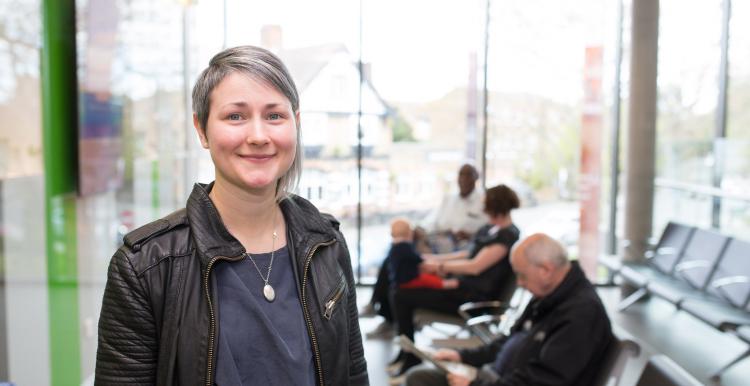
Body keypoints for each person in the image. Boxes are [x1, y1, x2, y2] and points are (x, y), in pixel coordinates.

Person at [95, 46, 368, 385]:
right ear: (201, 129)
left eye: (274, 116)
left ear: (295, 124)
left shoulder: (327, 242)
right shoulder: (145, 267)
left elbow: (353, 374)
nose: (258, 136)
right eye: (235, 116)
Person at [404, 233, 615, 386]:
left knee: (421, 379)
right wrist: (462, 357)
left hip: (505, 380)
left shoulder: (580, 314)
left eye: (522, 275)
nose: (520, 283)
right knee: (419, 376)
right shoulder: (548, 296)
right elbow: (508, 340)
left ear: (546, 270)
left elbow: (542, 381)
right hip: (498, 376)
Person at [391, 184, 522, 376]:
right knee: (397, 291)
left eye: (485, 205)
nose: (481, 208)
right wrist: (432, 260)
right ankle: (406, 352)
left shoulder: (507, 235)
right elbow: (467, 254)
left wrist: (438, 267)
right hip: (462, 289)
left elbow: (475, 266)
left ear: (495, 206)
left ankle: (410, 355)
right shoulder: (490, 229)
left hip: (473, 299)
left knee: (400, 295)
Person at [361, 164, 487, 338]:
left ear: (476, 179)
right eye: (461, 175)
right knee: (396, 254)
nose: (464, 180)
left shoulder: (482, 202)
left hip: (458, 247)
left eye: (468, 176)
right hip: (437, 241)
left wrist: (465, 237)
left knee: (400, 267)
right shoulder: (449, 199)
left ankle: (385, 313)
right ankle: (380, 308)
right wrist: (418, 230)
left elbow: (478, 242)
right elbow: (433, 222)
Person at [388, 218, 444, 290]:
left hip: (399, 281)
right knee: (433, 281)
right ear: (408, 232)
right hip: (408, 280)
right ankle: (453, 284)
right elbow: (418, 259)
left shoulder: (394, 247)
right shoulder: (404, 246)